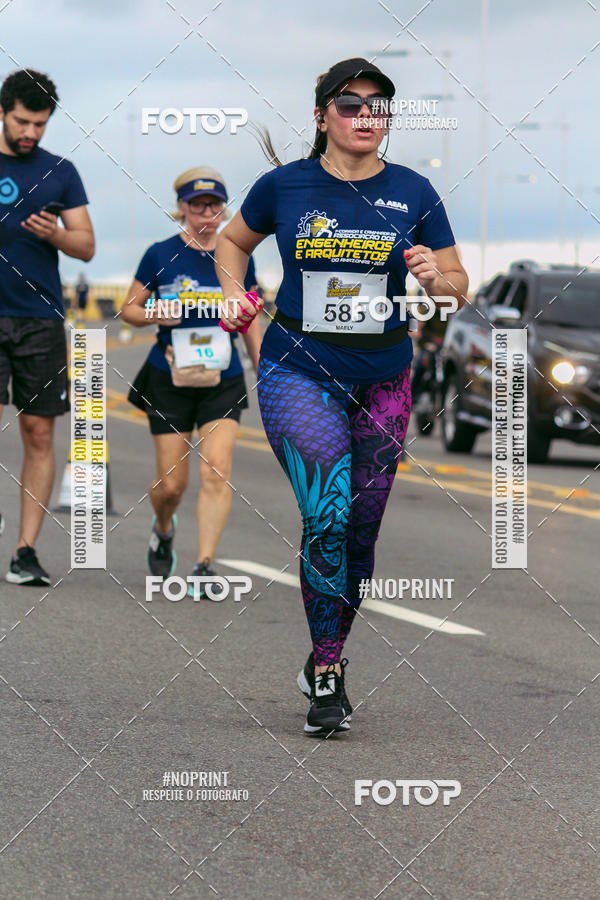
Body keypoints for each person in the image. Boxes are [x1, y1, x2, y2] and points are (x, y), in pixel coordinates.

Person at [216, 58, 468, 735]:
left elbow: (458, 285)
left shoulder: (414, 191)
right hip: (298, 367)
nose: (366, 117)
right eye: (351, 104)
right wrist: (238, 299)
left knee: (360, 531)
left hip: (384, 376)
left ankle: (326, 650)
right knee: (325, 514)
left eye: (378, 106)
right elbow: (232, 242)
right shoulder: (285, 186)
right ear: (323, 113)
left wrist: (432, 272)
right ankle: (328, 672)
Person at [122, 167, 260, 595]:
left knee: (216, 470)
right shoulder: (160, 254)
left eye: (215, 205)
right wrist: (153, 314)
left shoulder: (236, 254)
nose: (207, 213)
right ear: (181, 207)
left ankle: (203, 566)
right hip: (170, 377)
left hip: (224, 376)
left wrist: (264, 367)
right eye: (198, 205)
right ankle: (164, 527)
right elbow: (128, 308)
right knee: (171, 486)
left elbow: (251, 313)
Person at [0, 69, 95, 586]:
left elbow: (86, 245)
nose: (31, 132)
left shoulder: (60, 172)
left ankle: (25, 550)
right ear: (1, 112)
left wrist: (56, 233)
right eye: (22, 121)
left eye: (39, 123)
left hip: (39, 319)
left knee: (38, 432)